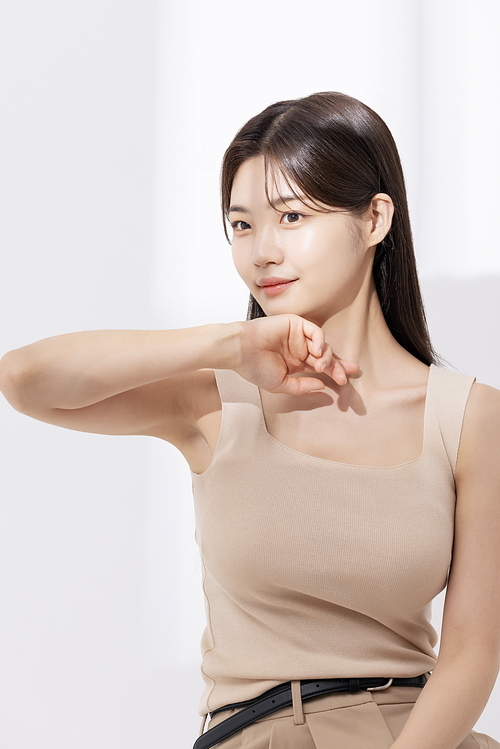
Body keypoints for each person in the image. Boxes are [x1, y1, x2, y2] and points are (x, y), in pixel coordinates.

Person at [0, 91, 499, 749]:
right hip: (261, 733)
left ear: (375, 217)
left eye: (291, 216)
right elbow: (26, 379)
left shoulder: (470, 417)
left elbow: (473, 649)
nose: (263, 250)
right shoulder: (214, 399)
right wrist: (227, 345)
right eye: (241, 225)